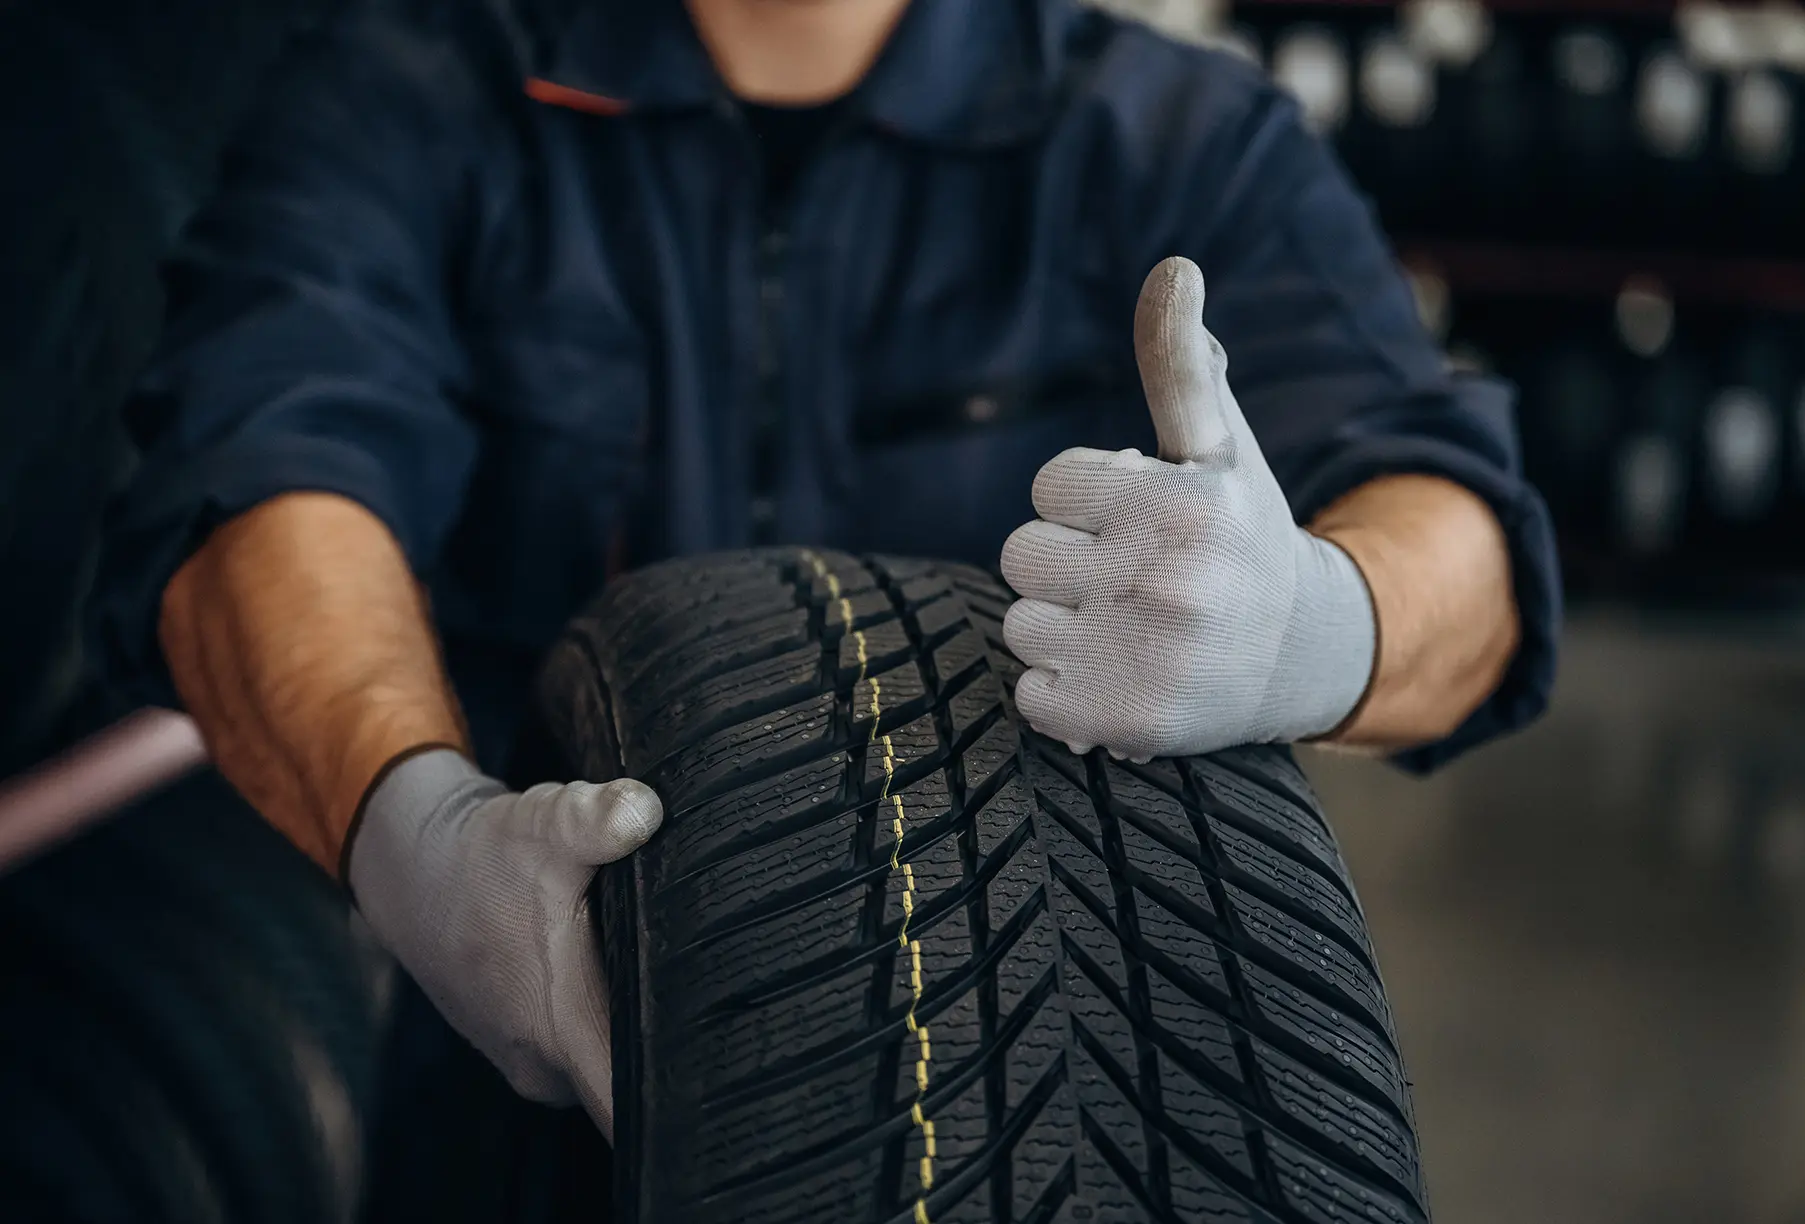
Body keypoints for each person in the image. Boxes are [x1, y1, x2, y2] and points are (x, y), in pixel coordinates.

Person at [89, 0, 1559, 1180]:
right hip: (547, 1031)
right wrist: (412, 825)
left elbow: (1460, 524)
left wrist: (1325, 613)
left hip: (1080, 1086)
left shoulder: (1178, 135)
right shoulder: (414, 84)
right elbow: (267, 462)